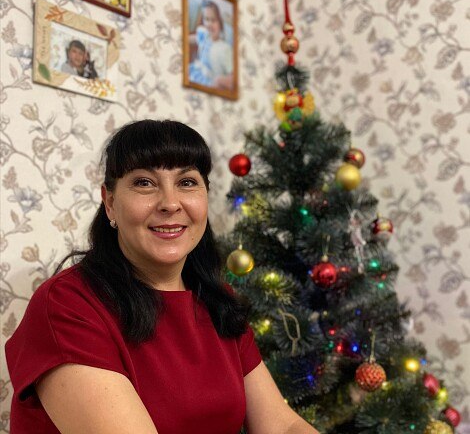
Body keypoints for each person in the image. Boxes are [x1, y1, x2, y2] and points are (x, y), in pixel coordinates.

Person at [5, 120, 319, 434]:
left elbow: (283, 425)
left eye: (187, 182)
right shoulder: (67, 305)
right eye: (144, 183)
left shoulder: (217, 300)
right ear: (110, 203)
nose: (170, 203)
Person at [189, 0, 234, 90]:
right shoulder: (204, 35)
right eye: (206, 19)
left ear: (220, 23)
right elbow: (191, 39)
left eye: (213, 20)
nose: (209, 24)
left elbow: (233, 78)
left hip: (210, 83)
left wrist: (219, 81)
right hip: (196, 71)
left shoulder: (225, 48)